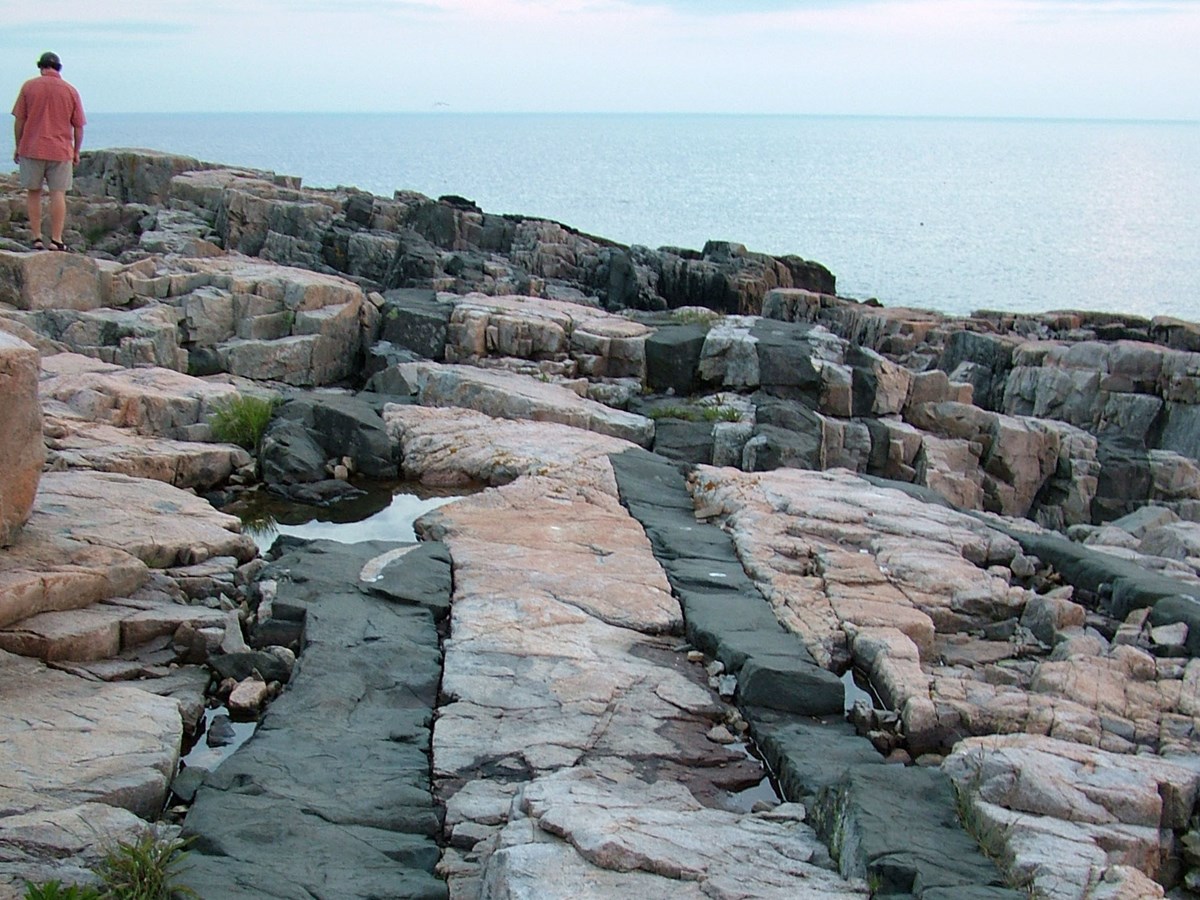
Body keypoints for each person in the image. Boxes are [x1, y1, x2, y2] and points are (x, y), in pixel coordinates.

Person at [11, 51, 86, 251]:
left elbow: (20, 120)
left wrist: (18, 145)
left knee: (33, 192)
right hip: (60, 150)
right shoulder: (70, 90)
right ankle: (56, 239)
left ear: (41, 67)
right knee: (58, 194)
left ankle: (36, 237)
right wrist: (76, 151)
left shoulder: (29, 87)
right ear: (58, 68)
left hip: (32, 147)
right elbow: (78, 126)